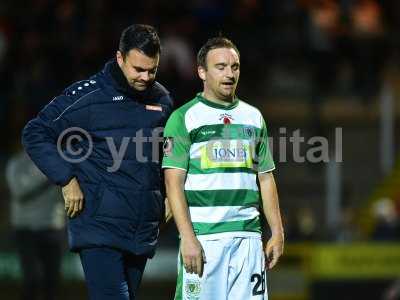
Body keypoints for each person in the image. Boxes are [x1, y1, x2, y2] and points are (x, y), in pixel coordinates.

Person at [22, 24, 173, 300]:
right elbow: (35, 132)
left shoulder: (162, 99)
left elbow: (166, 152)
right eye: (138, 69)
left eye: (152, 70)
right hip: (98, 228)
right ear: (120, 58)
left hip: (141, 229)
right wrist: (66, 179)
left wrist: (170, 195)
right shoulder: (88, 96)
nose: (145, 77)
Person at [162, 37, 284, 300]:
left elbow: (265, 178)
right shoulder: (183, 118)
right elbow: (173, 184)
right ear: (201, 71)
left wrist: (277, 232)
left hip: (248, 240)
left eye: (235, 66)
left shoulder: (253, 117)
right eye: (220, 66)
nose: (230, 74)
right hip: (205, 240)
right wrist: (188, 238)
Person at [6, 150, 66, 300]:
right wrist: (48, 178)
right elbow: (19, 192)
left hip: (53, 227)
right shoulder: (17, 163)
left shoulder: (59, 161)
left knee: (52, 282)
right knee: (31, 280)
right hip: (26, 229)